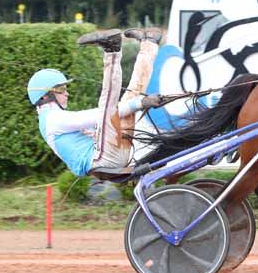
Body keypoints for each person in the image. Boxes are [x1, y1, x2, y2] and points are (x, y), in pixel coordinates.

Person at [27, 28, 163, 176]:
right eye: (61, 89)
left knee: (132, 95)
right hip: (101, 160)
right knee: (108, 107)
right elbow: (97, 117)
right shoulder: (51, 119)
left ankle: (149, 44)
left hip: (111, 155)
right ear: (45, 96)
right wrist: (140, 104)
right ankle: (112, 50)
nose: (67, 93)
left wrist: (138, 103)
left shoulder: (53, 117)